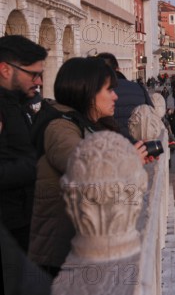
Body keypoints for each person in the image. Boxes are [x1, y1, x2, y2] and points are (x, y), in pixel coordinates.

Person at [28, 57, 150, 278]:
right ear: (88, 92)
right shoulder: (59, 127)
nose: (116, 96)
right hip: (59, 258)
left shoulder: (87, 123)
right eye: (109, 90)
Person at [0, 35, 47, 251]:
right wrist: (39, 164)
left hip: (25, 223)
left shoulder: (19, 105)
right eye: (33, 74)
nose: (39, 82)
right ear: (6, 69)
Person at [96, 52, 153, 141]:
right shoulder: (138, 88)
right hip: (137, 144)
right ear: (118, 69)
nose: (114, 96)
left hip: (109, 144)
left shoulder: (95, 92)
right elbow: (151, 113)